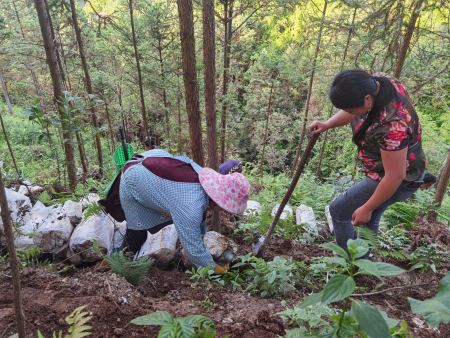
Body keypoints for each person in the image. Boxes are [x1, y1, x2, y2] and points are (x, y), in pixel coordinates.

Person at [309, 70, 426, 251]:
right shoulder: (377, 82)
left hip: (399, 178)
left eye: (349, 109)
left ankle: (351, 263)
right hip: (390, 169)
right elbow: (355, 110)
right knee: (369, 219)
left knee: (339, 211)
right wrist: (328, 123)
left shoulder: (393, 125)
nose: (348, 113)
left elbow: (395, 175)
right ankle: (363, 265)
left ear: (367, 99)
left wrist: (367, 207)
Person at [119, 151, 250, 273]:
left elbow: (200, 221)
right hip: (133, 177)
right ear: (219, 200)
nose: (224, 210)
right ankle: (126, 262)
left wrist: (203, 239)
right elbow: (194, 251)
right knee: (138, 230)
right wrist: (218, 270)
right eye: (225, 207)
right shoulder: (190, 206)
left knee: (181, 222)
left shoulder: (204, 180)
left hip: (153, 161)